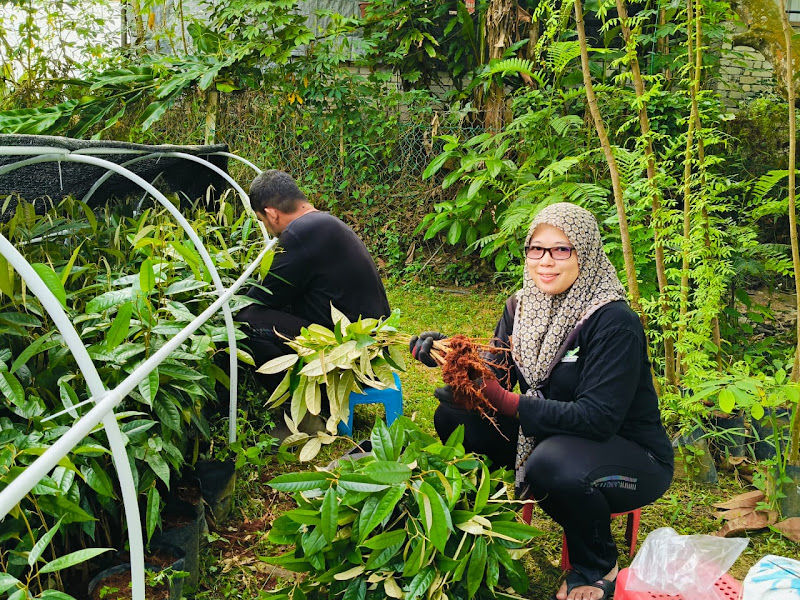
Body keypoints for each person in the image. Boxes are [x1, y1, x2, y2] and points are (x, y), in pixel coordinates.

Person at [410, 202, 673, 600]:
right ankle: (476, 522)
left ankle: (597, 562)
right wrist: (449, 358)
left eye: (561, 249)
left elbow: (598, 419)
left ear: (585, 253)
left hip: (631, 456)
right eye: (537, 249)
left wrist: (505, 401)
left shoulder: (613, 320)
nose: (545, 262)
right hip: (552, 435)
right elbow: (496, 372)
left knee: (551, 464)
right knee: (454, 416)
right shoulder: (521, 306)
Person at [237, 169, 390, 391]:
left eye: (263, 221)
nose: (270, 232)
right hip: (369, 342)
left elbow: (264, 297)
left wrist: (228, 304)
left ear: (272, 214)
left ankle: (299, 405)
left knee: (246, 319)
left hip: (354, 354)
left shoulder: (300, 233)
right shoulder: (321, 223)